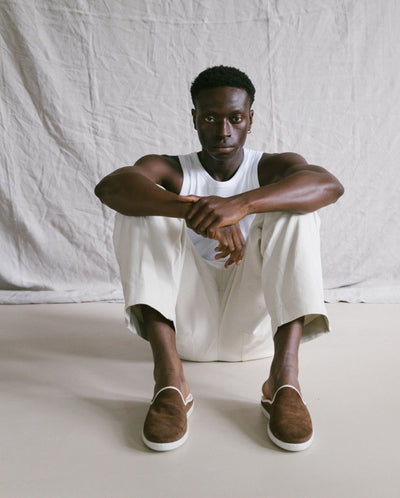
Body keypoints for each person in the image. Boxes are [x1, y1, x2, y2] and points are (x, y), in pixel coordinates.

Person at [94, 65, 344, 453]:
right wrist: (197, 213)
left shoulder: (271, 166)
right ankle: (170, 381)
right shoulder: (171, 168)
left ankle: (284, 381)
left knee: (296, 210)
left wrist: (240, 205)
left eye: (235, 118)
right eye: (210, 118)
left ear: (250, 120)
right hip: (184, 331)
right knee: (140, 210)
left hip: (255, 332)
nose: (223, 130)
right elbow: (111, 187)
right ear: (194, 118)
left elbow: (328, 185)